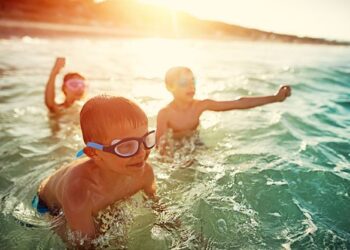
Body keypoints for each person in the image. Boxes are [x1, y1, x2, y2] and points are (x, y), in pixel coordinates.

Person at [33, 95, 157, 245]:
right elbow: (86, 246)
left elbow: (158, 206)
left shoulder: (144, 172)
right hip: (49, 204)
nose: (142, 153)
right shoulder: (80, 195)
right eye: (126, 146)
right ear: (94, 153)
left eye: (145, 140)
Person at [156, 66, 292, 153]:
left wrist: (275, 98)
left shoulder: (200, 106)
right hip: (177, 147)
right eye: (184, 83)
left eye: (193, 81)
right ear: (169, 87)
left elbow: (239, 103)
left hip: (196, 143)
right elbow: (159, 145)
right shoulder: (165, 113)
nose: (191, 86)